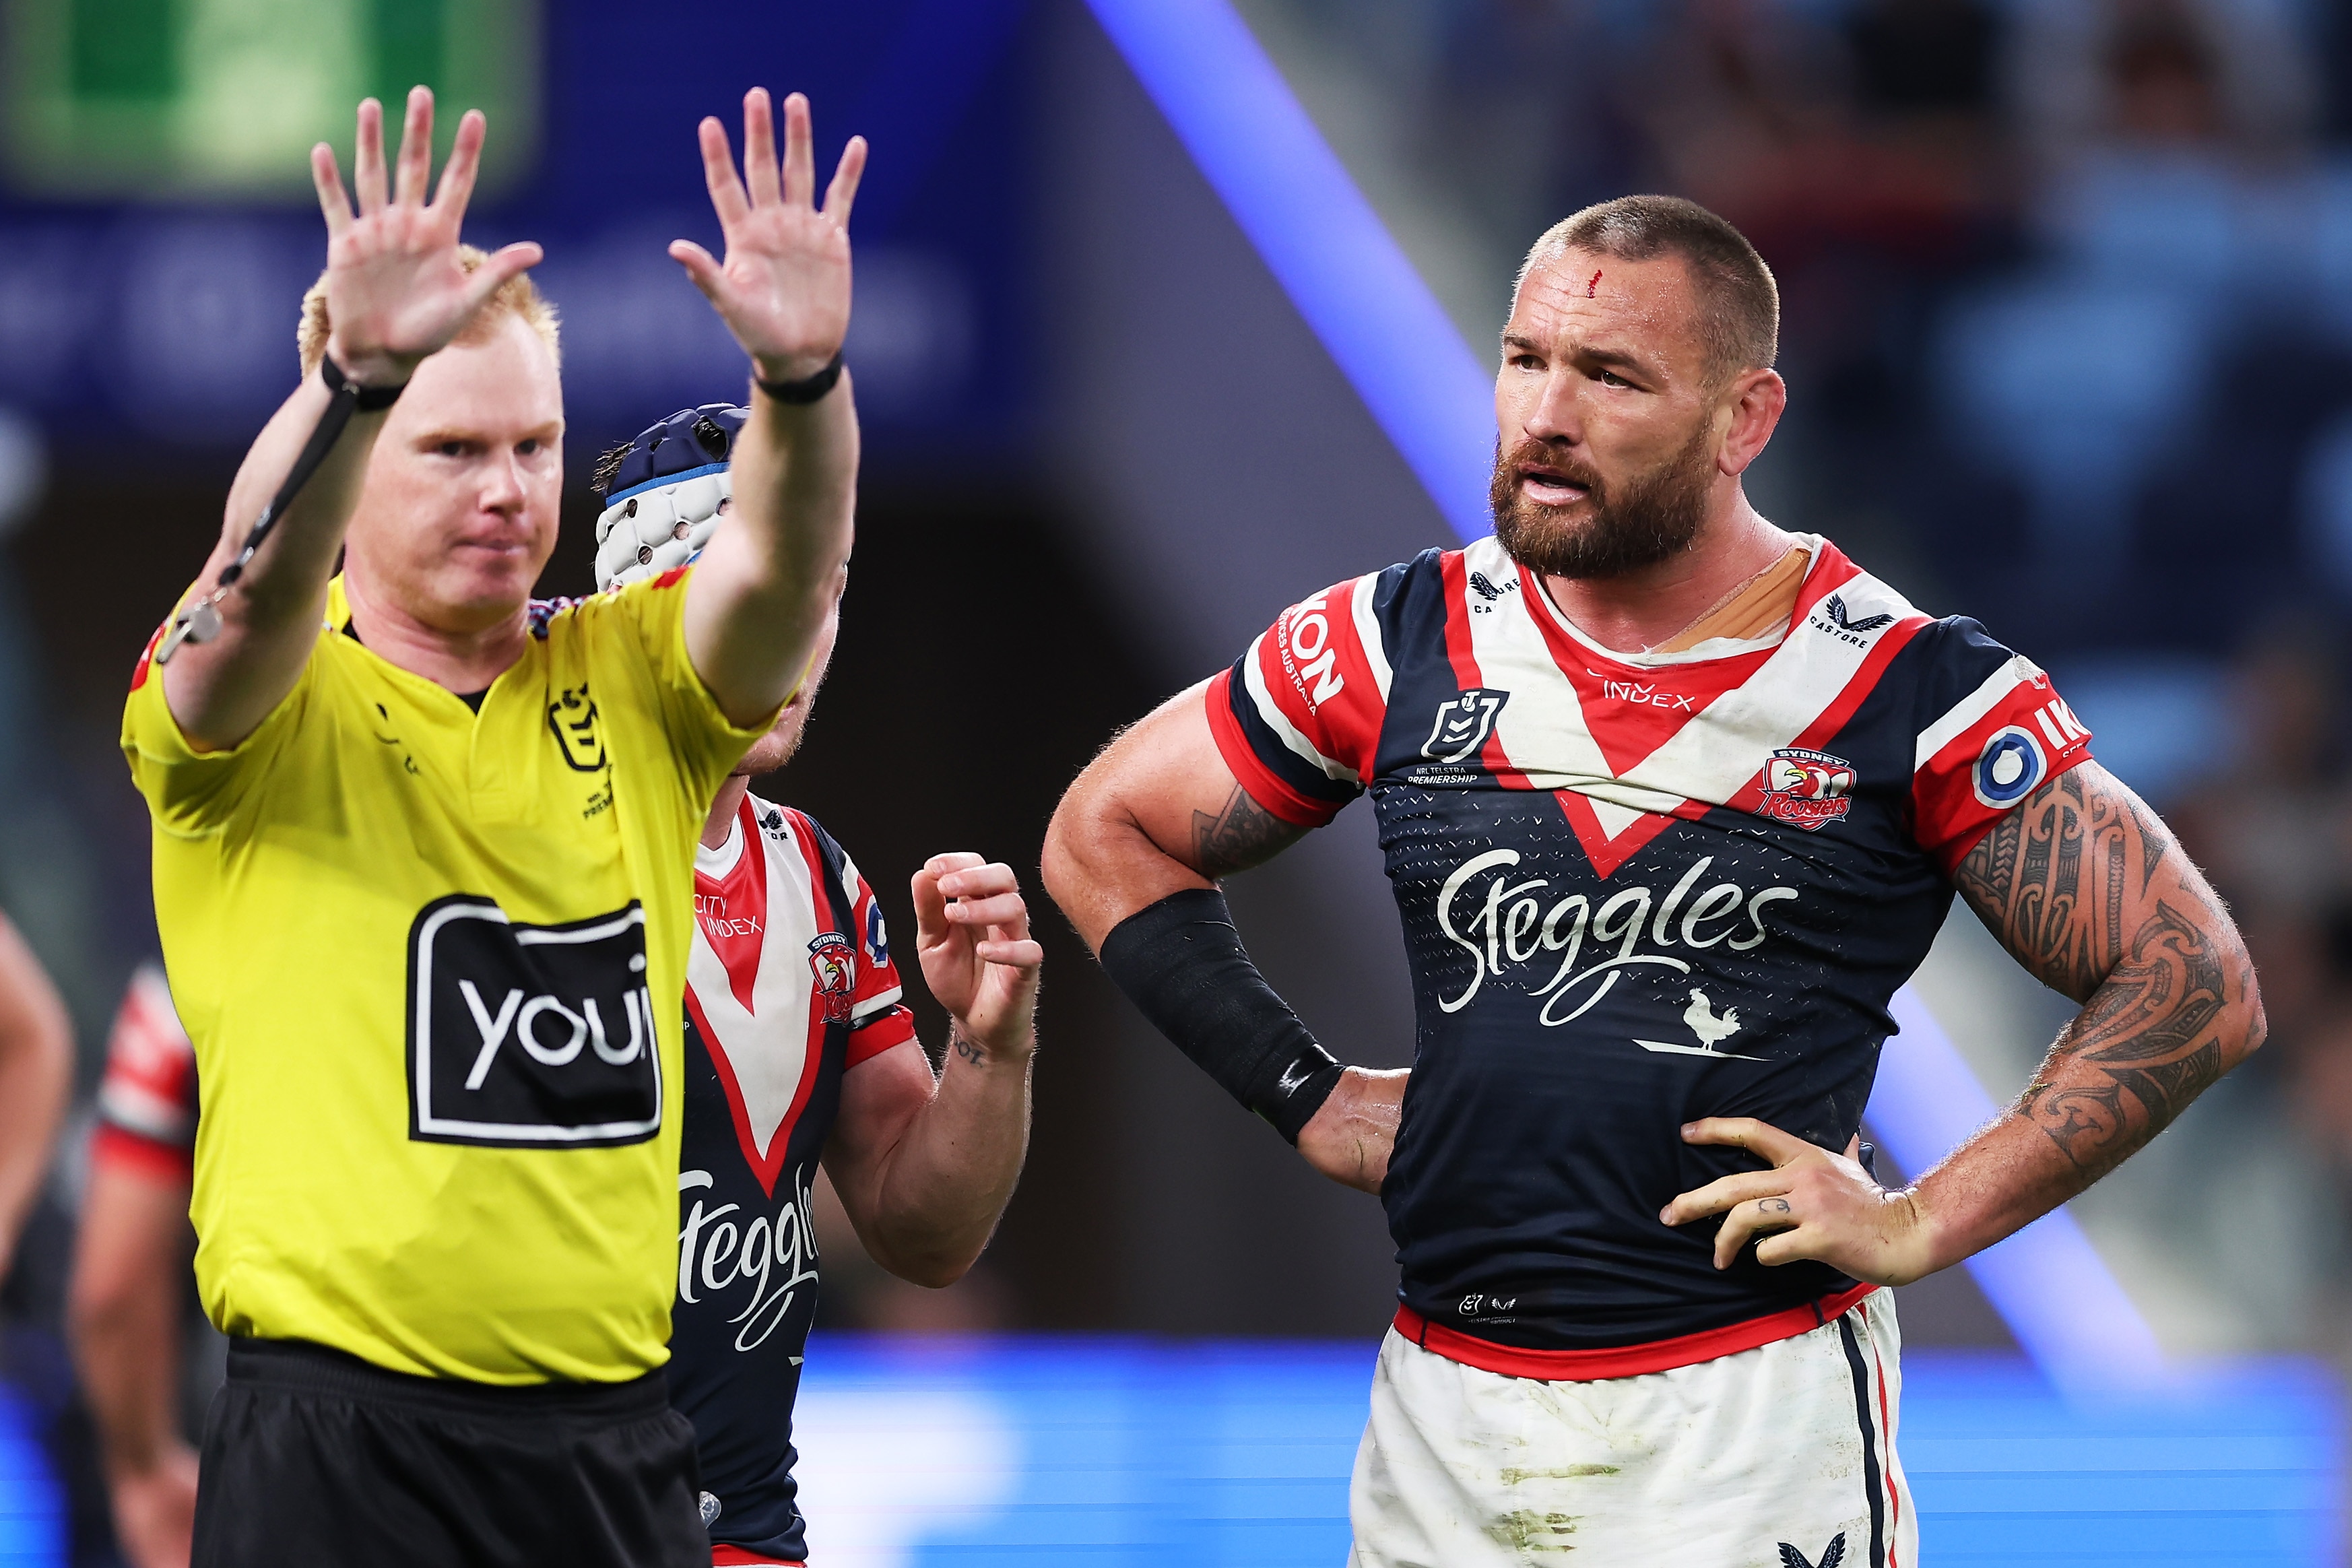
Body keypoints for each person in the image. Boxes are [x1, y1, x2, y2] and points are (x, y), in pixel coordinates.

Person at [1042, 194, 2264, 1567]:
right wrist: (1302, 1091)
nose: (1545, 415)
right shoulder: (1395, 639)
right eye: (1526, 361)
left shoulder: (1904, 686)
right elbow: (1107, 833)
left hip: (1744, 1430)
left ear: (1746, 419)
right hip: (1445, 1421)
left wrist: (1925, 1216)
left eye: (1611, 375)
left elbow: (2192, 979)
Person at [119, 81, 865, 1565]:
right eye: (453, 450)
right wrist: (353, 384)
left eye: (533, 448)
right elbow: (251, 585)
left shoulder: (634, 672)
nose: (508, 490)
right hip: (335, 1449)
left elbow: (783, 576)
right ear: (359, 463)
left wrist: (805, 384)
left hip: (608, 1447)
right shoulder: (264, 707)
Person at [591, 410, 1041, 1566]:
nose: (806, 629)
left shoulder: (818, 873)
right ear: (646, 598)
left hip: (747, 1528)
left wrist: (989, 1045)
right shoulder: (528, 847)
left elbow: (920, 1229)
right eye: (774, 585)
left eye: (827, 585)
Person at [69, 966, 203, 1568]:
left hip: (256, 1455)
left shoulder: (181, 990)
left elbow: (111, 1290)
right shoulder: (521, 953)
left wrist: (144, 1469)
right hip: (513, 1445)